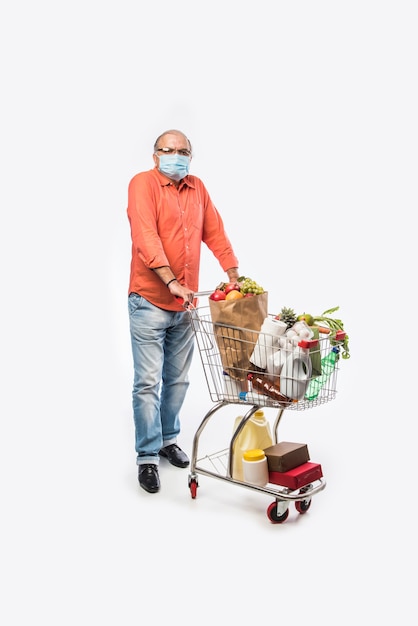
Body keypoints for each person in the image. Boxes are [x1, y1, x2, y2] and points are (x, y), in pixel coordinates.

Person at [127, 129, 240, 493]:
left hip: (186, 305)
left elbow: (215, 231)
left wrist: (234, 273)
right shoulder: (142, 184)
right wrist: (171, 280)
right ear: (155, 154)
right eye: (169, 150)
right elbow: (146, 236)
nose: (177, 156)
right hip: (148, 301)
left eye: (183, 151)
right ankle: (147, 456)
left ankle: (167, 440)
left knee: (177, 380)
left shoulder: (197, 188)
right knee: (147, 383)